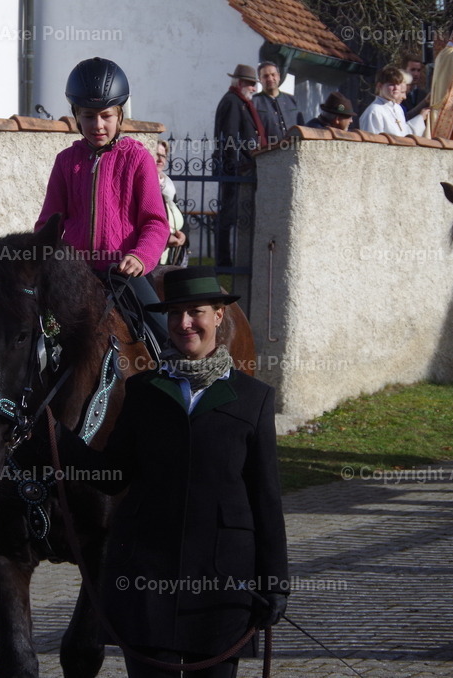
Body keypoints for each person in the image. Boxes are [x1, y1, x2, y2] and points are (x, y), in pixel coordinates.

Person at [51, 266, 290, 678]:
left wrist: (275, 583)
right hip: (147, 581)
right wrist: (56, 438)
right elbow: (115, 474)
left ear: (218, 315)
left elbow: (264, 498)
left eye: (195, 311)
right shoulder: (144, 391)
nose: (183, 324)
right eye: (174, 314)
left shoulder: (254, 400)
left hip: (221, 585)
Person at [35, 57, 170, 342]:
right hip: (74, 276)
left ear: (120, 116)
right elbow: (48, 224)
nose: (97, 124)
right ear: (76, 116)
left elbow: (156, 223)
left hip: (124, 275)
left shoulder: (137, 158)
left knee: (164, 334)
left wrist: (140, 256)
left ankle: (174, 380)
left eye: (106, 115)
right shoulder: (65, 161)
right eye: (88, 115)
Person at [213, 64, 265, 267]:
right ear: (241, 83)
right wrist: (237, 165)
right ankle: (224, 261)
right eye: (251, 84)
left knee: (233, 214)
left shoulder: (240, 101)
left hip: (239, 167)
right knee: (228, 215)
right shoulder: (233, 102)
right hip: (233, 169)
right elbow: (231, 137)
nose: (254, 88)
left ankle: (228, 259)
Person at [359, 66, 427, 137]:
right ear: (380, 86)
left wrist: (420, 118)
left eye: (398, 84)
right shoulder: (374, 111)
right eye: (391, 84)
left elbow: (405, 135)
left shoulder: (398, 108)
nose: (396, 88)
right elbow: (372, 141)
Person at [253, 60, 304, 145]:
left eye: (273, 75)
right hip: (267, 153)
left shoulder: (292, 100)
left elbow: (302, 127)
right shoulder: (254, 103)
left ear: (279, 76)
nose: (270, 79)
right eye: (265, 76)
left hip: (293, 150)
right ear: (260, 79)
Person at [155, 139, 187, 266]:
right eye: (156, 155)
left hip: (168, 257)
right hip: (151, 257)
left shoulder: (168, 186)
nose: (160, 160)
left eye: (163, 156)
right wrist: (166, 238)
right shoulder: (144, 185)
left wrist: (184, 235)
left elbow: (179, 216)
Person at [401, 54, 428, 121]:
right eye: (412, 70)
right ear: (404, 70)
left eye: (418, 70)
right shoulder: (396, 93)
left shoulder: (423, 94)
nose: (416, 74)